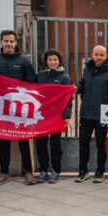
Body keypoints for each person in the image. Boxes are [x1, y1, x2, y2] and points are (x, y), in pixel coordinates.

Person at [0, 30, 37, 186]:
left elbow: (32, 84)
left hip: (21, 108)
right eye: (6, 41)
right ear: (1, 42)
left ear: (16, 43)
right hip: (2, 108)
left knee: (24, 140)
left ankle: (28, 171)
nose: (8, 44)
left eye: (11, 41)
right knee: (2, 140)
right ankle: (4, 172)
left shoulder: (24, 61)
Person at [75, 45, 108, 183]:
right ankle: (83, 171)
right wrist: (76, 88)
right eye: (96, 54)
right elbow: (83, 84)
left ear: (106, 56)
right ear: (92, 55)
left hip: (103, 115)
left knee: (100, 144)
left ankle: (100, 171)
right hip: (85, 114)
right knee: (83, 142)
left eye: (102, 55)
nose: (99, 57)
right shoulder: (87, 70)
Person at [35, 49, 73, 184]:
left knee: (55, 145)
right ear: (46, 61)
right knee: (40, 144)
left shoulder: (64, 77)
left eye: (55, 59)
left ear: (59, 61)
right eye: (50, 59)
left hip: (56, 116)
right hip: (40, 115)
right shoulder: (39, 76)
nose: (53, 62)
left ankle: (56, 171)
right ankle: (43, 170)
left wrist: (67, 115)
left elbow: (68, 98)